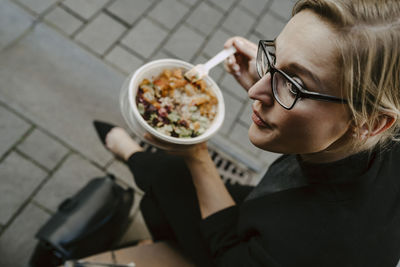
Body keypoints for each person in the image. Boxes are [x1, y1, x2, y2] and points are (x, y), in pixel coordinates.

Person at [93, 0, 400, 266]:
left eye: (296, 86)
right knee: (168, 182)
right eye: (274, 55)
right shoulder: (371, 125)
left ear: (372, 123)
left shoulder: (316, 246)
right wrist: (282, 73)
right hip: (268, 207)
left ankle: (133, 158)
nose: (254, 90)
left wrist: (198, 155)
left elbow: (230, 257)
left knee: (165, 181)